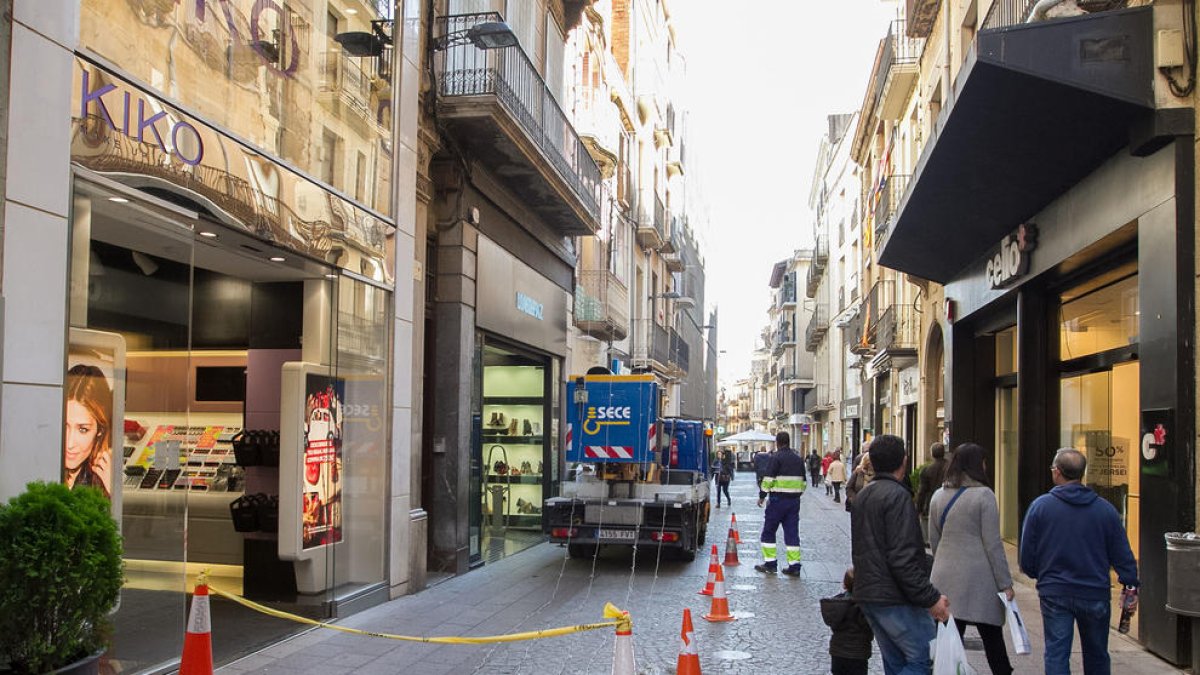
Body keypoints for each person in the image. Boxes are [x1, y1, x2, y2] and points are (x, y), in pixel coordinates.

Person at [1020, 448, 1139, 675]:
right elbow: (1122, 553)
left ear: (1056, 472)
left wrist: (1041, 574)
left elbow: (1027, 556)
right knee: (1097, 655)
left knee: (1056, 653)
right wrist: (1130, 583)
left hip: (1055, 591)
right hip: (1094, 591)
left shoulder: (1040, 507)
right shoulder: (1106, 510)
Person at [851, 434, 949, 675]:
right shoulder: (897, 496)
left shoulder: (865, 495)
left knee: (895, 662)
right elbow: (902, 558)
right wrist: (931, 598)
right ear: (904, 461)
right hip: (894, 596)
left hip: (869, 593)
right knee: (923, 659)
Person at [929, 443, 1014, 675]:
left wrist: (944, 562)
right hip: (979, 580)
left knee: (948, 640)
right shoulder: (984, 496)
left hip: (945, 577)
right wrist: (1005, 583)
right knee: (992, 638)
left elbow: (933, 538)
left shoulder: (938, 495)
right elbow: (993, 543)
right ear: (978, 465)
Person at [755, 431, 806, 576]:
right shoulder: (798, 459)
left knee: (769, 532)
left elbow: (768, 479)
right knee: (792, 534)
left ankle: (770, 564)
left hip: (777, 501)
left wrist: (762, 496)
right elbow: (804, 483)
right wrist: (796, 494)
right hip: (794, 502)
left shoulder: (775, 458)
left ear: (777, 442)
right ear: (789, 442)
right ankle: (794, 566)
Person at [64, 364, 114, 499]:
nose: (69, 443)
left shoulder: (107, 478)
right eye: (65, 426)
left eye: (83, 429)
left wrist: (113, 491)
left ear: (100, 430)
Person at [820, 567, 873, 675]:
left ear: (844, 585)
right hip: (858, 654)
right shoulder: (865, 607)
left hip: (837, 652)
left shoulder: (837, 604)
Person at [915, 442, 949, 542]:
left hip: (930, 503)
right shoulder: (950, 468)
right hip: (948, 502)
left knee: (931, 537)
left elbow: (922, 491)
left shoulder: (926, 470)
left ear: (932, 454)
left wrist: (919, 509)